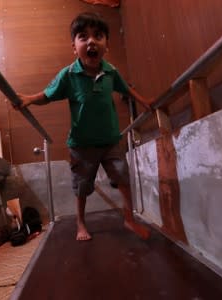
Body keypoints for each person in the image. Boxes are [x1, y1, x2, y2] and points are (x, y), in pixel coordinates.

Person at [17, 12, 152, 241]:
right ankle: (80, 223)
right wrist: (29, 99)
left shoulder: (111, 71)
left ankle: (129, 219)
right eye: (83, 37)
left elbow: (126, 89)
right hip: (81, 145)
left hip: (110, 140)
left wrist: (145, 102)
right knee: (82, 188)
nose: (91, 41)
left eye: (98, 36)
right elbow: (47, 95)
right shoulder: (68, 75)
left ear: (106, 45)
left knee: (123, 179)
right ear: (74, 46)